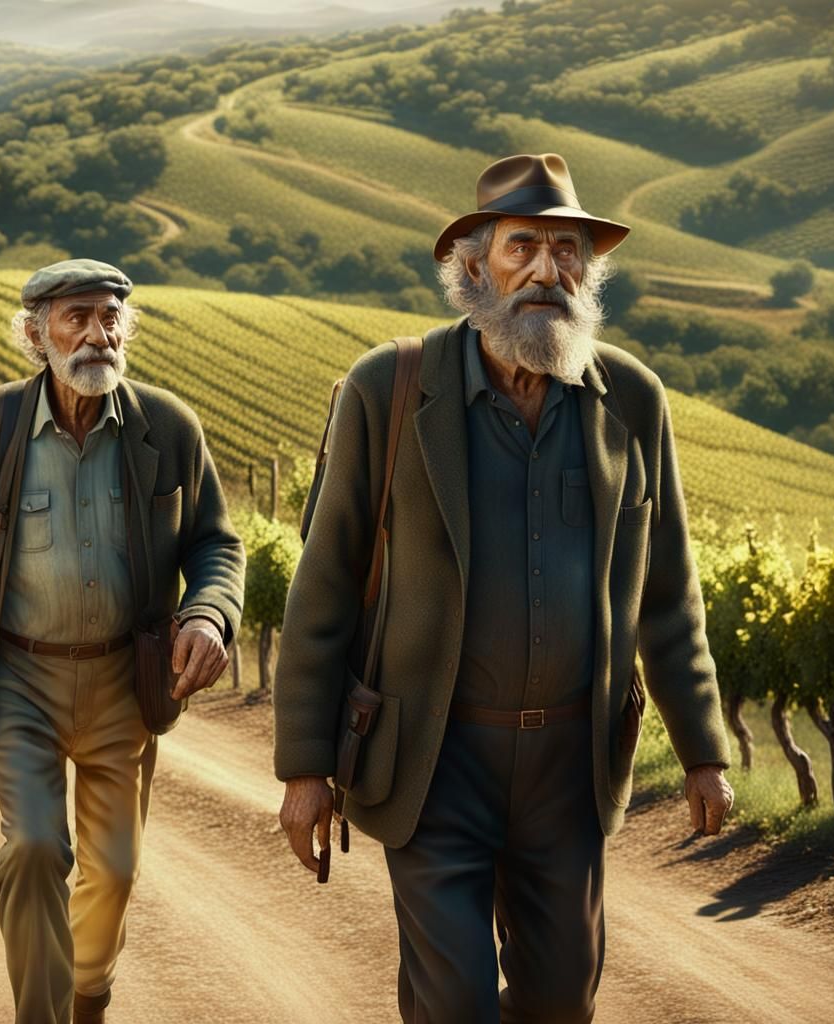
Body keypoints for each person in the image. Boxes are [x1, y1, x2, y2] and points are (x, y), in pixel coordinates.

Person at [273, 154, 734, 1023]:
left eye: (568, 251)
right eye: (523, 245)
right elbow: (325, 584)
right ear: (475, 266)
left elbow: (668, 592)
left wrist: (703, 751)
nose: (546, 270)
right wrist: (304, 767)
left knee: (562, 1000)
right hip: (432, 764)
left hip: (570, 768)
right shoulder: (389, 388)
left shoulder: (631, 400)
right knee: (457, 1007)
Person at [0, 258, 245, 1024]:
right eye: (78, 317)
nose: (99, 333)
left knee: (115, 870)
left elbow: (217, 545)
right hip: (21, 676)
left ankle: (87, 992)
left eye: (112, 317)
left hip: (127, 680)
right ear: (35, 335)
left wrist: (208, 614)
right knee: (33, 850)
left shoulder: (169, 426)